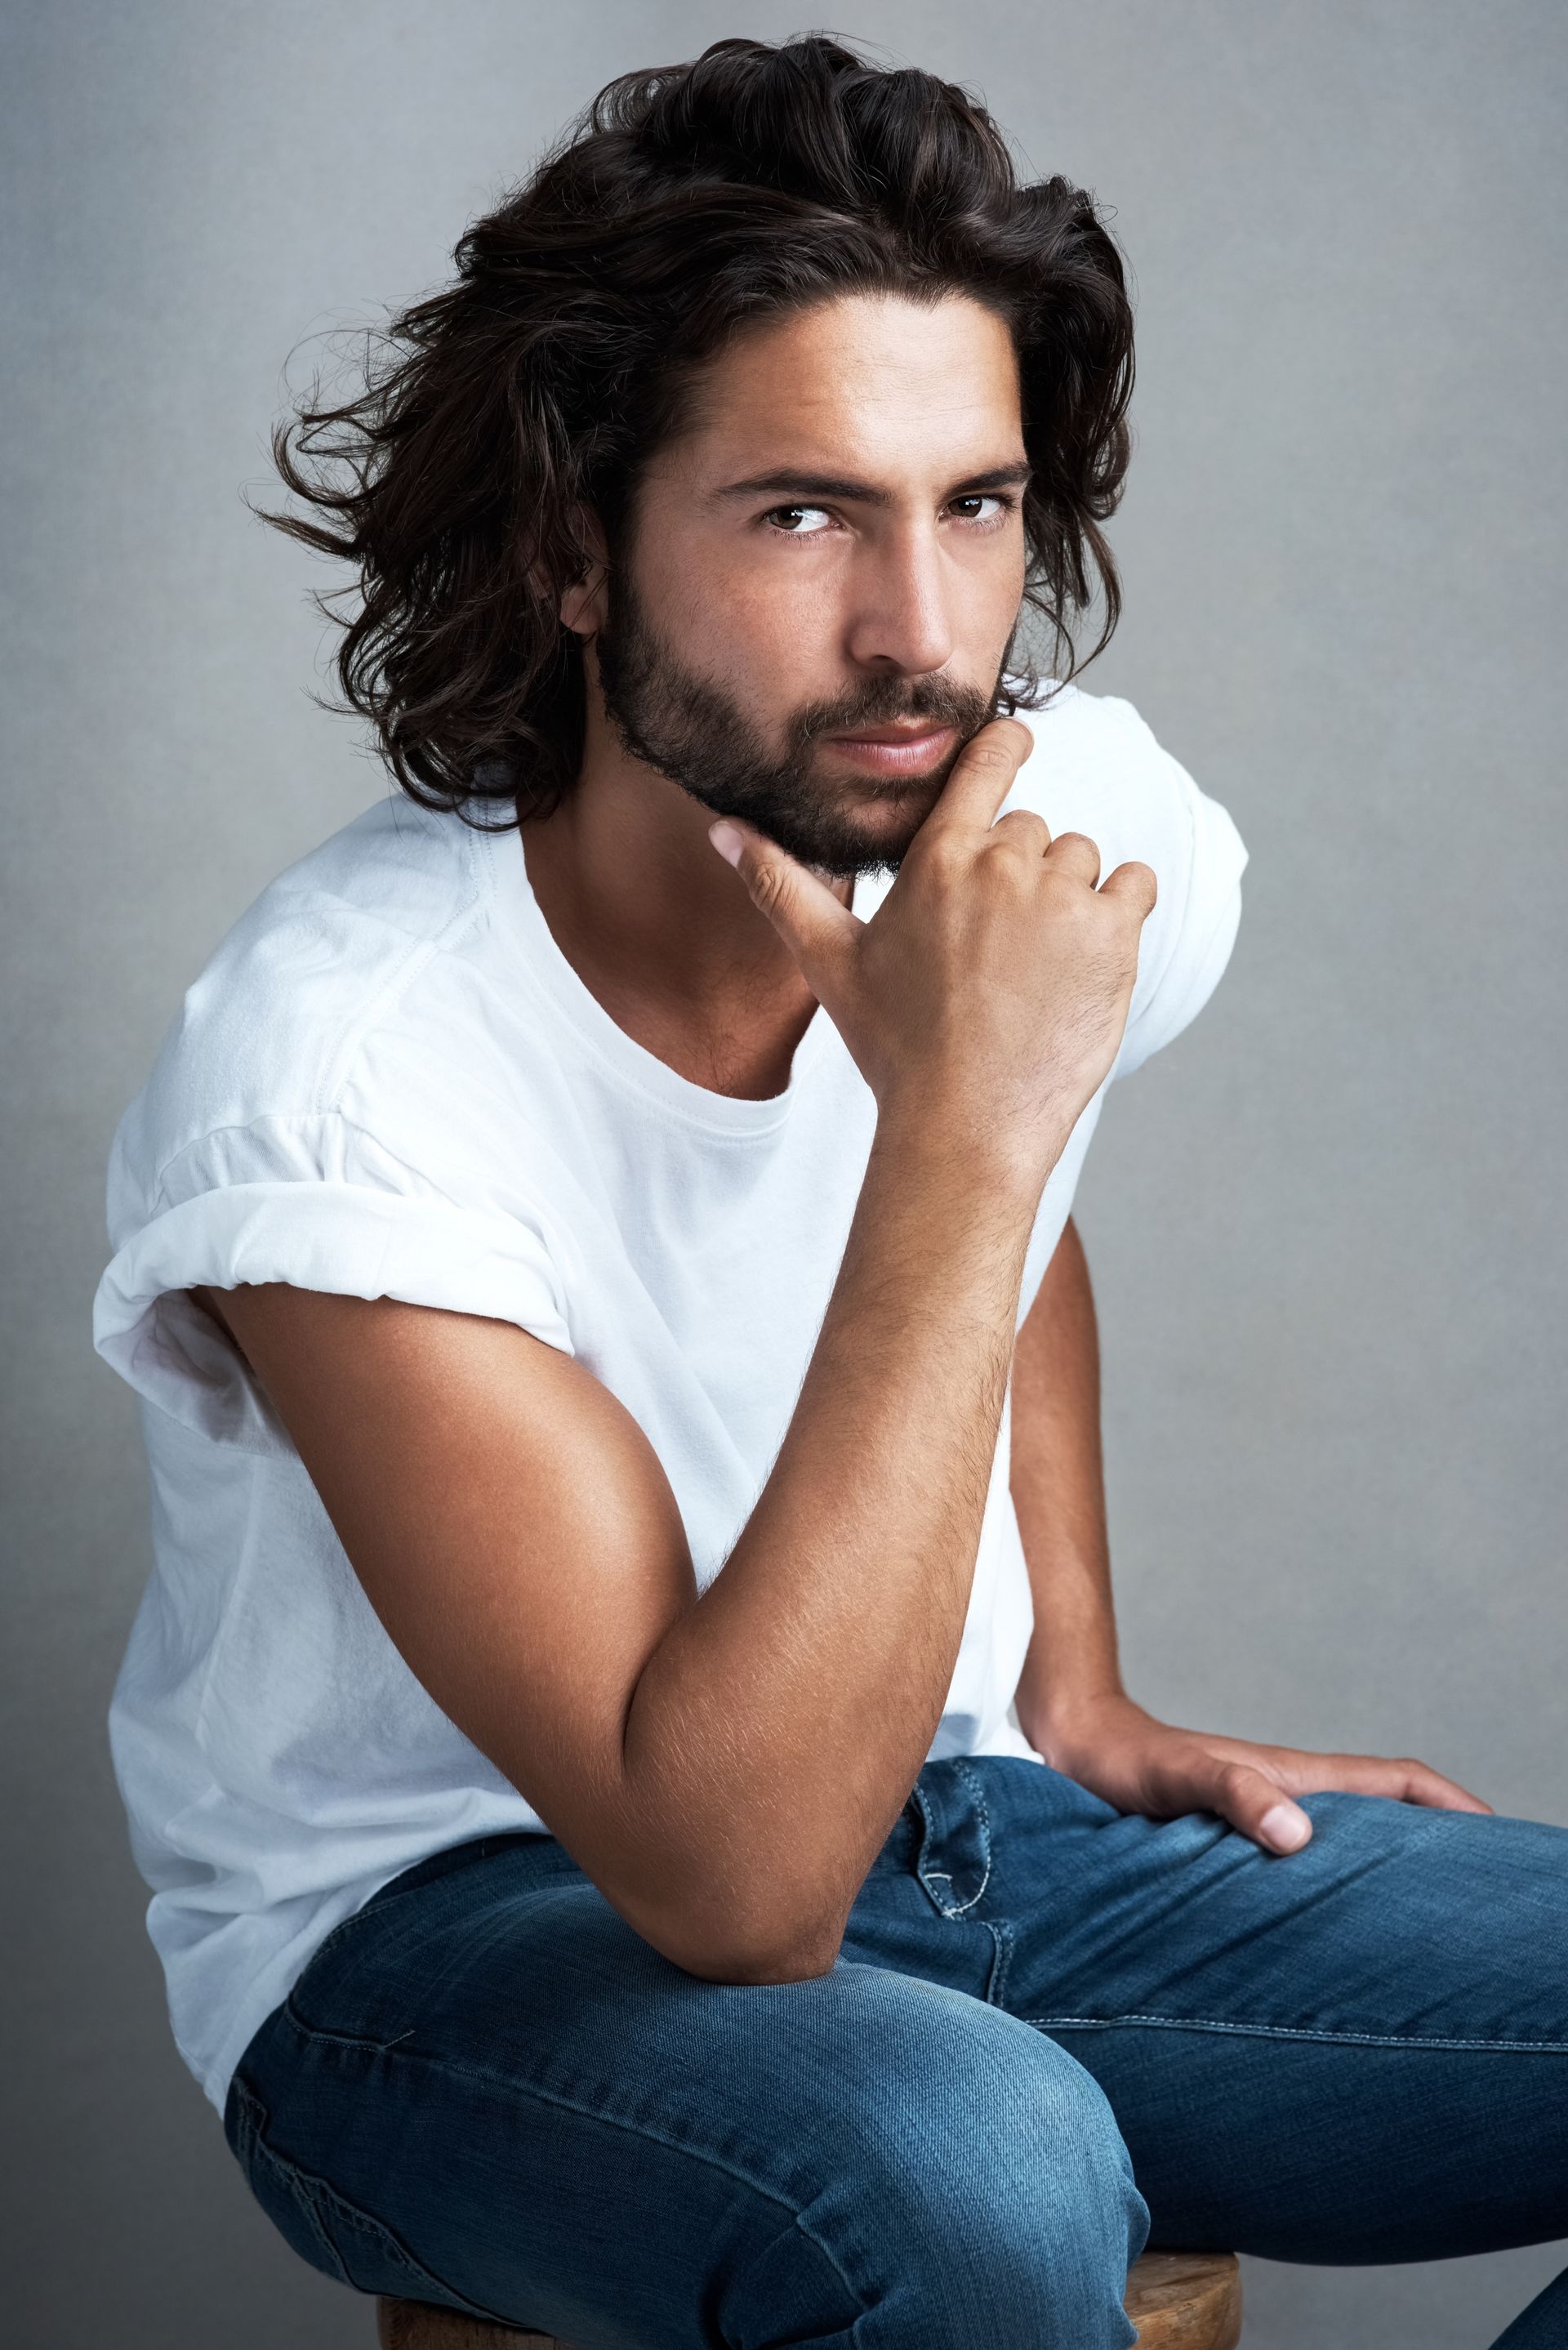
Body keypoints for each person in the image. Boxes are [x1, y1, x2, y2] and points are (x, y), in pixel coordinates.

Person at [91, 35, 1566, 2350]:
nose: (923, 634)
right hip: (438, 1953)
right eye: (802, 516)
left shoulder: (1071, 843)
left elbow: (1029, 1215)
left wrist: (1071, 1685)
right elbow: (732, 1881)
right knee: (972, 2171)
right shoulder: (338, 1083)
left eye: (973, 507)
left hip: (968, 1829)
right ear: (576, 550)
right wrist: (957, 1128)